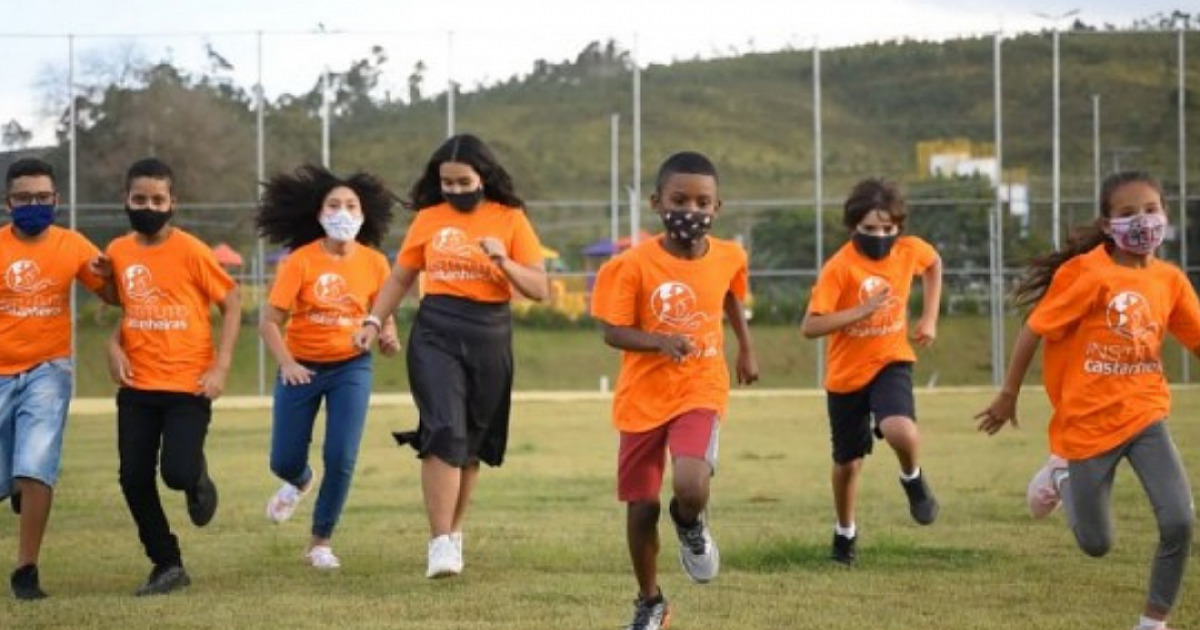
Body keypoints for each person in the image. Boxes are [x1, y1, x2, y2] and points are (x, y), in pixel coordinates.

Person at [976, 171, 1199, 630]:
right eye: (1128, 213)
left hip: (1145, 415)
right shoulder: (1087, 274)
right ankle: (1061, 473)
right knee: (1096, 543)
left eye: (1151, 209)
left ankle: (1153, 622)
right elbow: (1034, 329)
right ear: (1106, 224)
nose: (1143, 221)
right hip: (1087, 423)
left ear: (1166, 214)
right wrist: (1008, 394)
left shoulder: (1170, 281)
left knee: (1179, 522)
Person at [353, 133, 549, 578]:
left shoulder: (510, 218)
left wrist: (504, 262)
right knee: (443, 428)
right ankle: (439, 541)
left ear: (484, 177)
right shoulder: (427, 219)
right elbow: (401, 278)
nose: (456, 191)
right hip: (436, 330)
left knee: (471, 441)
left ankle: (454, 534)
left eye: (464, 182)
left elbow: (539, 289)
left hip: (491, 333)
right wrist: (371, 321)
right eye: (448, 183)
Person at [590, 151, 758, 630]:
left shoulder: (729, 255)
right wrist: (661, 342)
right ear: (656, 203)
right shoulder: (630, 265)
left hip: (700, 386)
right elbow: (613, 330)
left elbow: (729, 295)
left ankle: (689, 522)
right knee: (641, 507)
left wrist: (746, 348)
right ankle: (651, 602)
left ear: (717, 207)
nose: (692, 210)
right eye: (679, 199)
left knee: (689, 484)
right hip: (642, 398)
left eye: (702, 201)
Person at [105, 158, 242, 596]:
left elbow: (233, 301)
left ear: (173, 203)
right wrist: (113, 347)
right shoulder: (118, 251)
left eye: (158, 199)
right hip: (138, 387)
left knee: (177, 473)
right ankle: (167, 563)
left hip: (188, 386)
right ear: (126, 200)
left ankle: (196, 478)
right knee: (133, 478)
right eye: (140, 198)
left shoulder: (193, 251)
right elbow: (126, 308)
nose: (149, 205)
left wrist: (220, 366)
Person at [256, 164, 399, 569]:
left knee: (341, 455)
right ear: (319, 215)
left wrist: (386, 335)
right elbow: (268, 321)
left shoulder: (374, 263)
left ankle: (320, 541)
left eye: (351, 205)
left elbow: (382, 313)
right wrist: (287, 364)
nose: (343, 212)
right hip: (300, 367)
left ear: (364, 214)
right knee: (282, 459)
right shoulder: (299, 261)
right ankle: (299, 480)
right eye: (333, 205)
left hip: (351, 369)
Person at [799, 177, 942, 566]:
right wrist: (859, 312)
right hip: (846, 376)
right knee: (848, 463)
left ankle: (912, 478)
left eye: (888, 229)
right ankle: (845, 533)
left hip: (891, 359)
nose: (881, 236)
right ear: (852, 228)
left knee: (900, 429)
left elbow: (934, 265)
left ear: (899, 228)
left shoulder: (909, 251)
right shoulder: (840, 268)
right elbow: (810, 326)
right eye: (870, 230)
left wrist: (929, 317)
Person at [0, 158, 117, 599]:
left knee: (35, 466)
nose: (34, 204)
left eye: (42, 198)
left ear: (57, 200)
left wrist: (109, 279)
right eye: (24, 198)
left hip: (49, 369)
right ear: (8, 202)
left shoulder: (72, 245)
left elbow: (109, 294)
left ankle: (26, 570)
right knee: (9, 474)